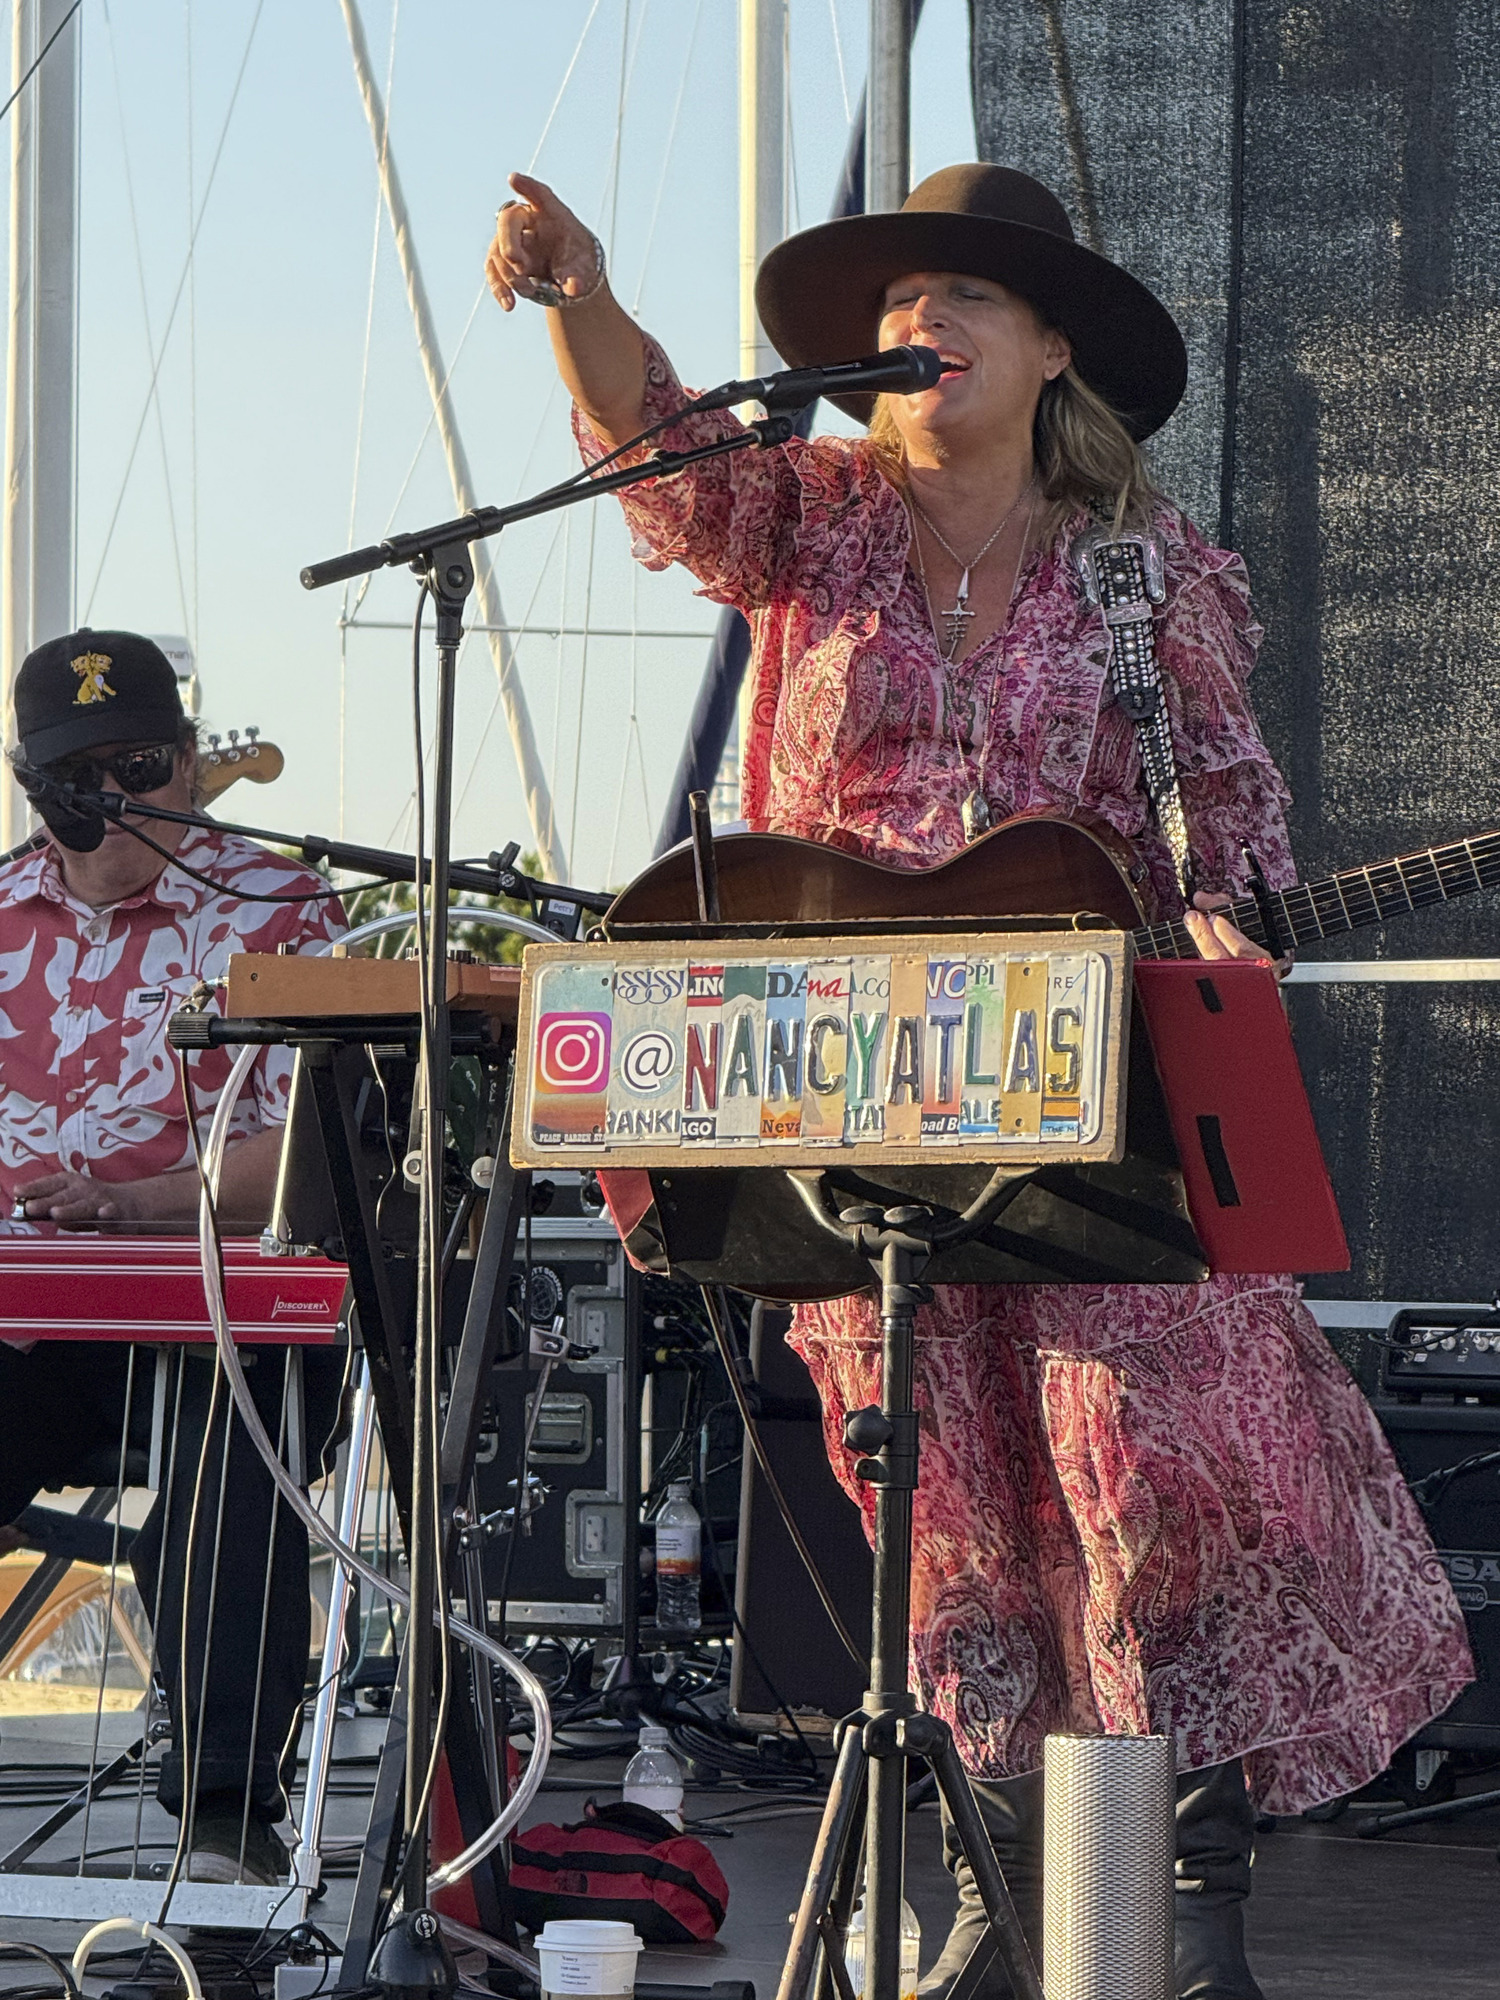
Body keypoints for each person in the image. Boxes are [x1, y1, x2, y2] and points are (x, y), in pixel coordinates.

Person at [484, 166, 1474, 1998]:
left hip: (1085, 1084)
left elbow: (1226, 816)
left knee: (1139, 1476)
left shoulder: (1144, 567)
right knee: (940, 1515)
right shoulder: (812, 518)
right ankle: (993, 1926)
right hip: (850, 1097)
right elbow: (655, 437)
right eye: (903, 301)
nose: (921, 326)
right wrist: (580, 292)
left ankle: (1183, 1931)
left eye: (966, 300)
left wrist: (1228, 930)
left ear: (1048, 352)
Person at [0, 630, 345, 1886]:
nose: (111, 801)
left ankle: (220, 1817)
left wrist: (139, 1201)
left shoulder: (282, 907)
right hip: (28, 1321)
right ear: (32, 783)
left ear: (191, 764)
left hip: (215, 1306)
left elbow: (315, 1143)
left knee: (232, 1474)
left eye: (139, 765)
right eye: (75, 777)